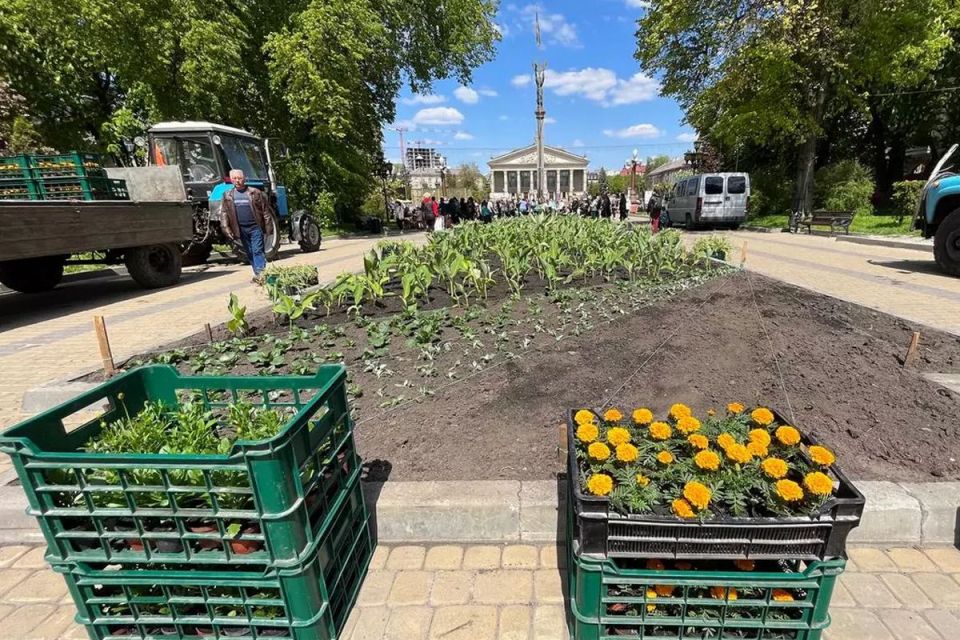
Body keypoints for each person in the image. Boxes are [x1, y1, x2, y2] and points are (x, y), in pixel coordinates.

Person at [221, 169, 274, 281]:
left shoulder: (255, 192)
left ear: (244, 178)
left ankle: (261, 274)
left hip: (255, 227)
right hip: (241, 229)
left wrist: (269, 228)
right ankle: (258, 273)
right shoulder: (227, 195)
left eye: (239, 178)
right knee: (249, 252)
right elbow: (224, 213)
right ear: (231, 180)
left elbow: (265, 211)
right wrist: (226, 228)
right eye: (234, 178)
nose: (237, 181)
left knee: (257, 250)